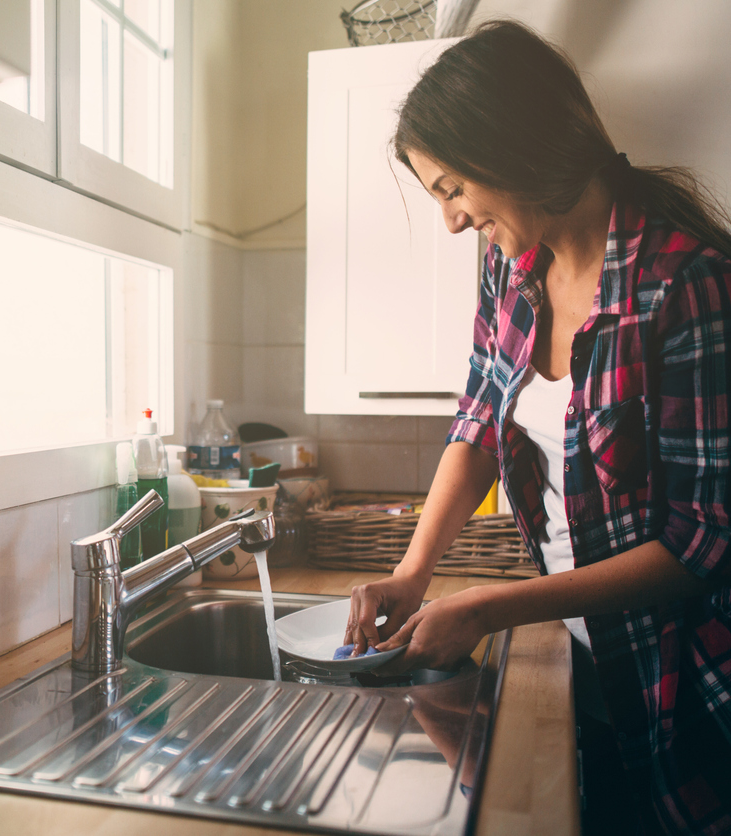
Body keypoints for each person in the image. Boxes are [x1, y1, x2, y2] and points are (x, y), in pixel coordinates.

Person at [341, 20, 731, 836]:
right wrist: (414, 572)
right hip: (577, 653)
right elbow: (480, 421)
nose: (449, 221)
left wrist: (489, 608)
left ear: (512, 150)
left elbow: (703, 544)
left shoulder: (687, 283)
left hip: (686, 682)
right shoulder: (511, 269)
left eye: (451, 189)